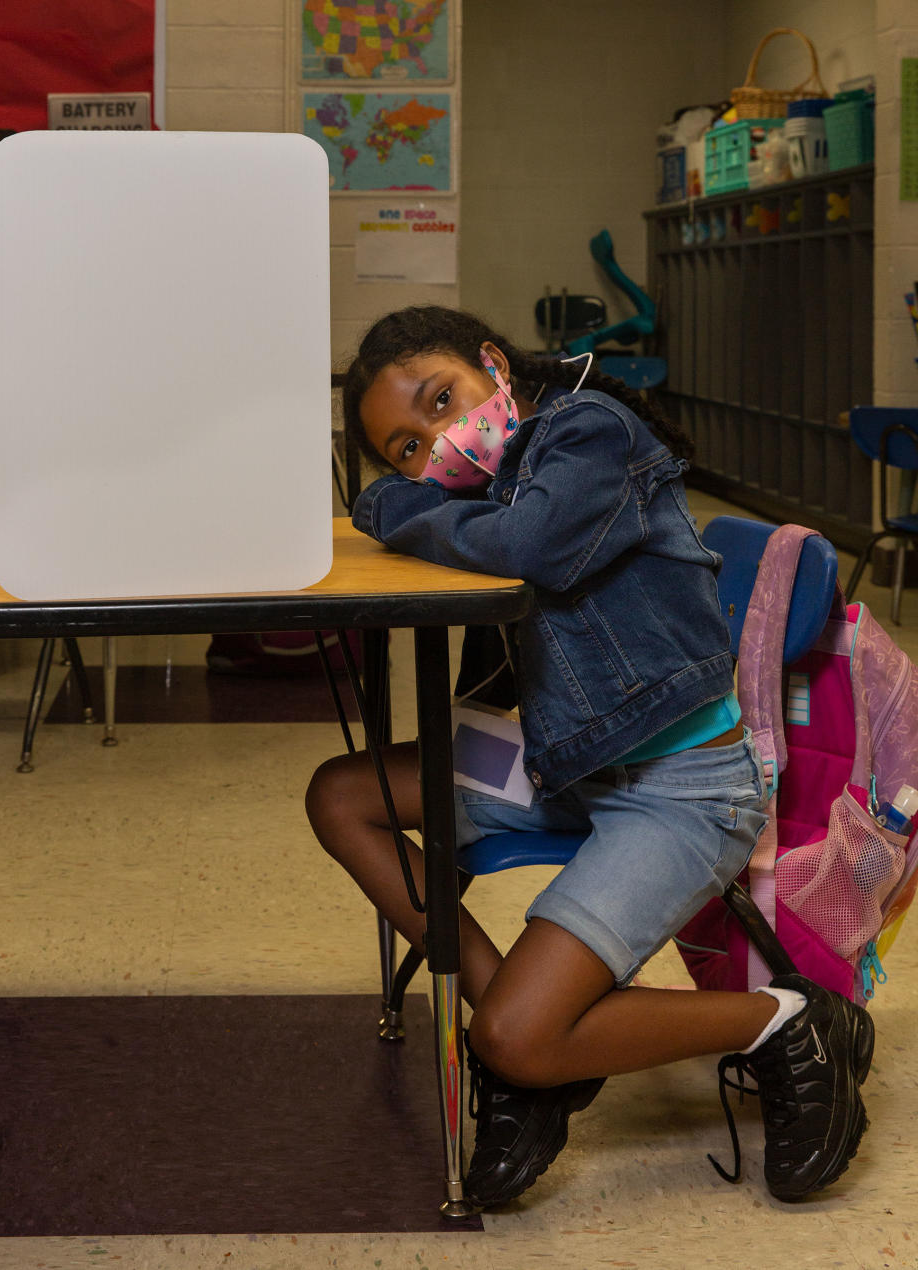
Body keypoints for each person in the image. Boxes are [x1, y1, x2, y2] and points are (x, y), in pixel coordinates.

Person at [306, 305, 873, 1208]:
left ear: (493, 365)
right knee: (343, 795)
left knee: (519, 1036)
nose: (438, 442)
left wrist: (391, 502)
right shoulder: (478, 490)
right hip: (562, 760)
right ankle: (532, 1051)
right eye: (406, 449)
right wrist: (423, 507)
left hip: (681, 789)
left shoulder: (588, 430)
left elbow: (533, 549)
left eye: (442, 399)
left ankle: (792, 1022)